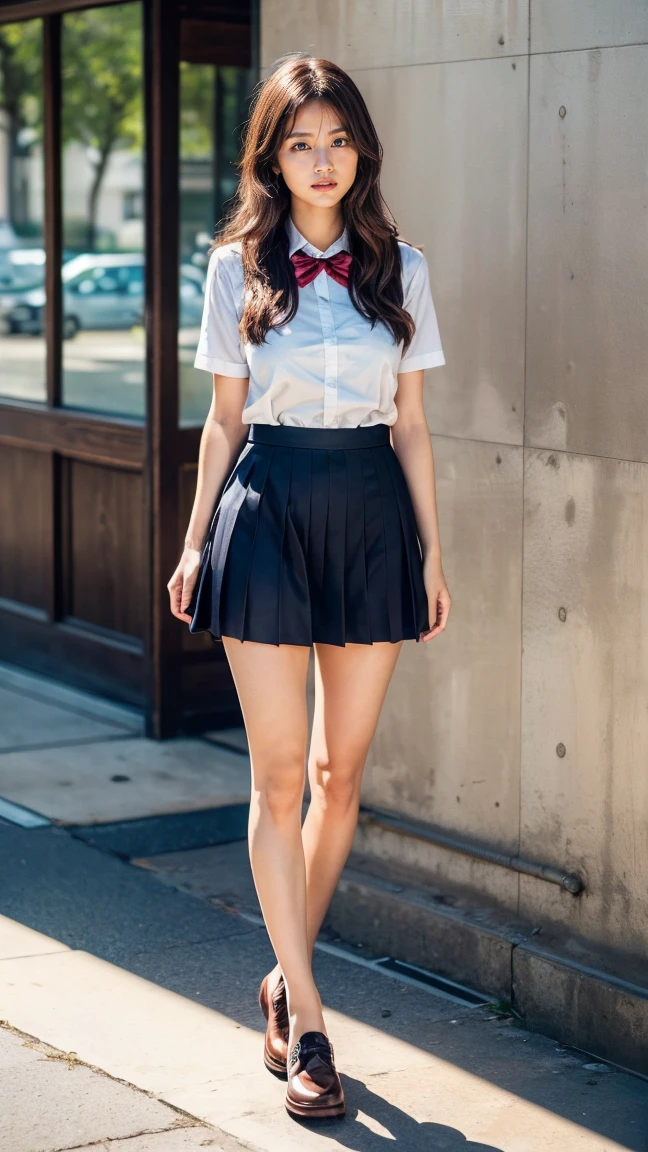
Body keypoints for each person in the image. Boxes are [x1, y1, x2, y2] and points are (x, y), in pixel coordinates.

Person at [167, 53, 451, 1121]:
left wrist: (433, 552)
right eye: (300, 142)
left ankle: (282, 974)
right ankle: (316, 1026)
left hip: (372, 509)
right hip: (269, 507)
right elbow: (224, 419)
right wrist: (195, 544)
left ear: (360, 150)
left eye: (336, 140)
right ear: (272, 156)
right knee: (279, 774)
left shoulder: (403, 268)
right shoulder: (236, 265)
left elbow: (415, 427)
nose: (321, 160)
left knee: (341, 776)